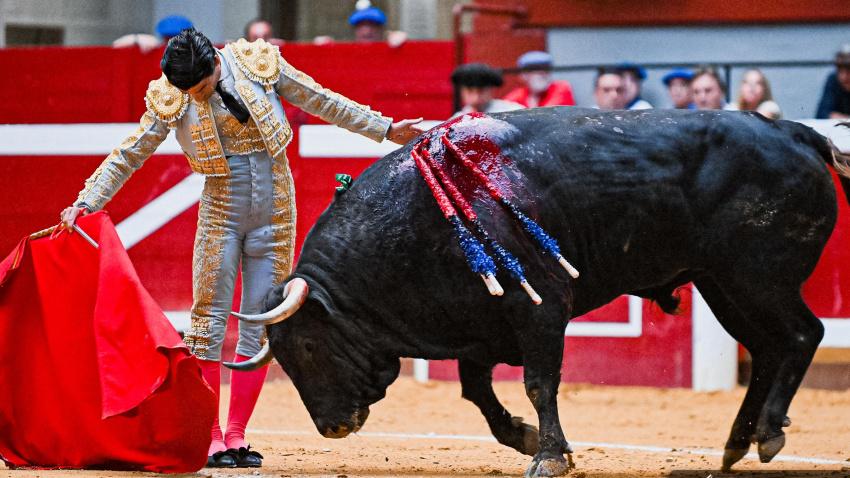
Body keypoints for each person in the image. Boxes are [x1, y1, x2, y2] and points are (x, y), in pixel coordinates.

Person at [59, 28, 423, 469]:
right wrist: (87, 200)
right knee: (208, 324)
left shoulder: (258, 62)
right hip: (221, 211)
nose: (197, 96)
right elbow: (130, 152)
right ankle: (211, 438)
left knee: (259, 325)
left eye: (202, 87)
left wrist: (385, 129)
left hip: (276, 208)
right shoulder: (172, 94)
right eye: (189, 92)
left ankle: (236, 435)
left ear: (215, 61)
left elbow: (319, 99)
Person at [502, 51, 575, 108]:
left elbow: (548, 116)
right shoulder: (517, 96)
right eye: (535, 69)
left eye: (545, 68)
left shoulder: (560, 88)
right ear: (523, 75)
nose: (542, 73)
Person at [451, 63, 522, 116]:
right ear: (462, 91)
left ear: (491, 90)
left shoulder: (513, 112)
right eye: (470, 91)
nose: (476, 97)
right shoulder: (459, 117)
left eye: (481, 91)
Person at [112, 14, 193, 53]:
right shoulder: (154, 47)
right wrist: (136, 38)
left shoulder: (197, 54)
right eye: (168, 37)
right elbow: (115, 45)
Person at [816, 44, 850, 119]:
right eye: (840, 70)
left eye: (848, 70)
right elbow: (822, 114)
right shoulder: (833, 80)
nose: (844, 77)